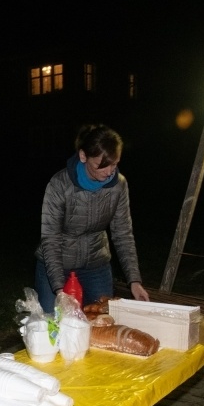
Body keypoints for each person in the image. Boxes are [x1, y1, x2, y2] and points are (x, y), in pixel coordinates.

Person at [34, 123, 150, 314]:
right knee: (53, 320)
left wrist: (134, 281)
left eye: (114, 164)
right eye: (101, 166)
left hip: (95, 265)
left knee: (101, 319)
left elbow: (123, 233)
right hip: (56, 264)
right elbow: (51, 238)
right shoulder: (59, 184)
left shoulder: (119, 185)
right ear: (83, 156)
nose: (109, 172)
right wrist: (59, 290)